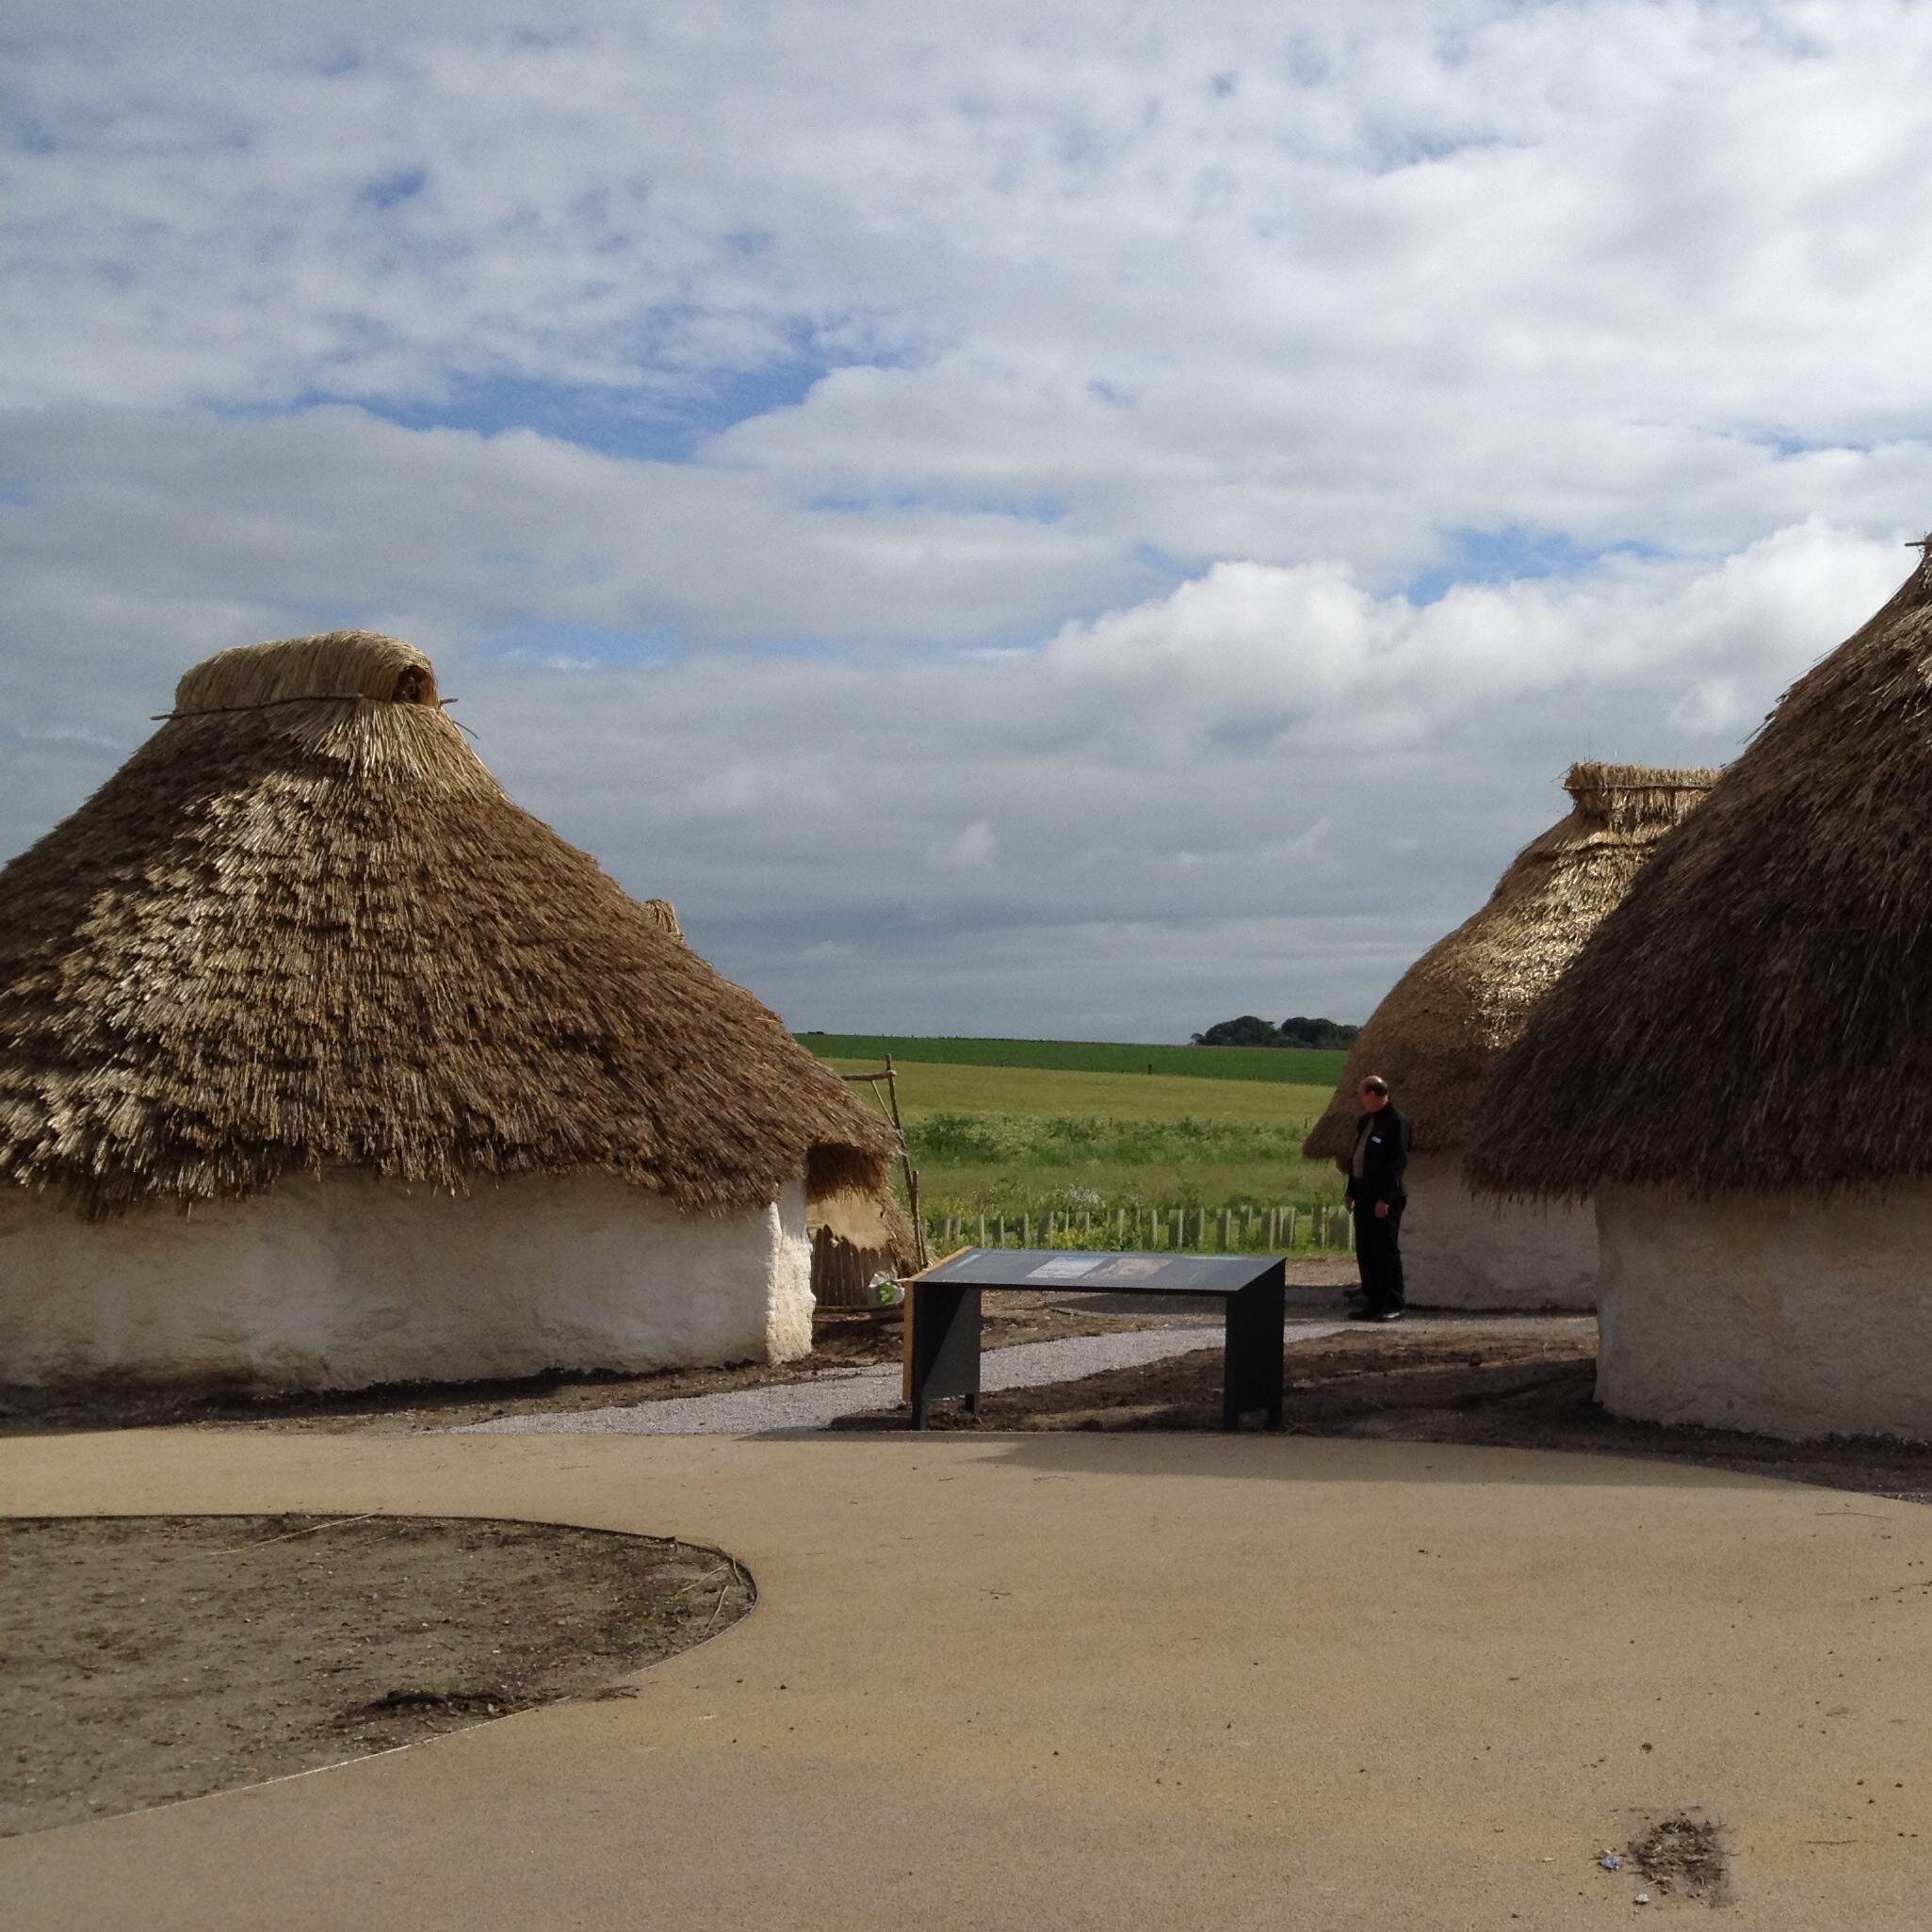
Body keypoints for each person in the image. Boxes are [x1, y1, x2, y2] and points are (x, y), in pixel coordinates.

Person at [1342, 1075, 1409, 1322]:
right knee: (1366, 1249)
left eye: (1362, 1095)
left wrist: (1386, 1198)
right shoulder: (1366, 1121)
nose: (1361, 1100)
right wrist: (1351, 1191)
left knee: (1385, 1249)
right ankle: (1373, 1301)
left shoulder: (1396, 1122)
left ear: (1373, 1094)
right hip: (1364, 1193)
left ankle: (1393, 1303)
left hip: (1384, 1197)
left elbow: (1397, 1163)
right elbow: (1356, 1159)